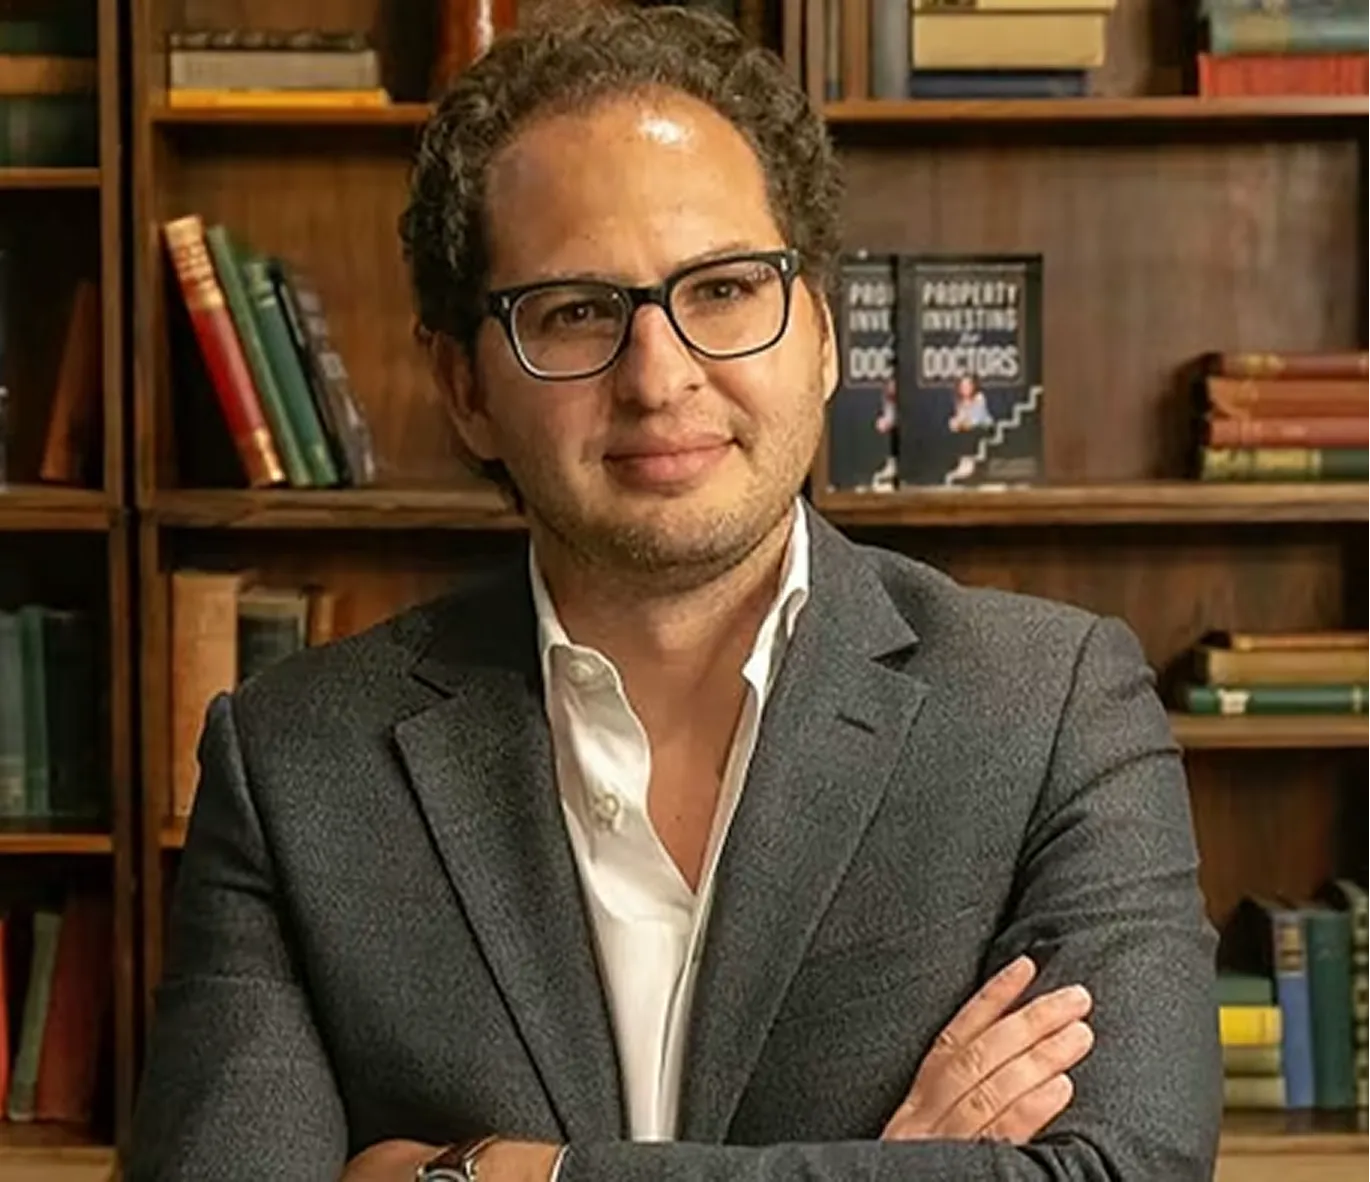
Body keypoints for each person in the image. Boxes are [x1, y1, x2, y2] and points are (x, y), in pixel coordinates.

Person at [126, 7, 1221, 1181]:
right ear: (464, 388)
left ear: (821, 333)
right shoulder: (294, 762)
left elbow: (1124, 1173)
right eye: (574, 311)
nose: (658, 377)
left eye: (724, 289)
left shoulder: (1048, 708)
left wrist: (503, 1174)